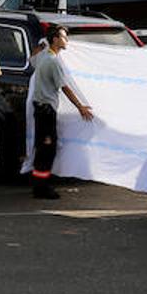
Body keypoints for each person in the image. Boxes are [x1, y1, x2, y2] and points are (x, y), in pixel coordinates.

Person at [28, 25, 96, 200]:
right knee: (47, 148)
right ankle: (42, 188)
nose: (67, 40)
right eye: (64, 37)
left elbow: (31, 59)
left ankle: (38, 185)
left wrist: (39, 47)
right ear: (55, 39)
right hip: (46, 111)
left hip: (40, 108)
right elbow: (65, 87)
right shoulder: (53, 61)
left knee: (42, 147)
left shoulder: (43, 55)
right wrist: (80, 107)